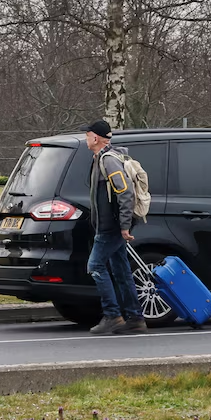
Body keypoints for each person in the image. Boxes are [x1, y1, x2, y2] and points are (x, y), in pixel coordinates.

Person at [83, 118, 144, 335]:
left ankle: (112, 316)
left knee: (95, 266)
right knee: (121, 270)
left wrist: (124, 225)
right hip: (111, 226)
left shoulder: (108, 160)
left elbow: (125, 192)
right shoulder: (101, 158)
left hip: (111, 227)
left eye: (87, 134)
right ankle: (135, 318)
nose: (86, 138)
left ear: (96, 137)